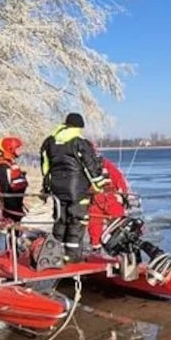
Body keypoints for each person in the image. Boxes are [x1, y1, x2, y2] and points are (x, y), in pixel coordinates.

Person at [39, 112, 108, 261]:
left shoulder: (50, 141)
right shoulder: (79, 141)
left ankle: (56, 252)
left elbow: (45, 166)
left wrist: (47, 185)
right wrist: (99, 184)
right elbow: (91, 165)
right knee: (76, 220)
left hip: (57, 187)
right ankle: (72, 256)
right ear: (79, 126)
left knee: (60, 219)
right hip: (77, 188)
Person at [86, 156, 132, 249]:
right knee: (95, 225)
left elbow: (118, 178)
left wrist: (123, 195)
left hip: (108, 198)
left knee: (120, 224)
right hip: (97, 199)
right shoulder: (103, 164)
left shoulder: (105, 164)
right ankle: (96, 248)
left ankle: (125, 247)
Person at [0, 136, 29, 225]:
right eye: (17, 148)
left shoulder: (9, 162)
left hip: (15, 199)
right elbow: (5, 186)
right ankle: (14, 237)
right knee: (13, 223)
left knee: (17, 222)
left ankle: (17, 236)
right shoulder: (2, 165)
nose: (20, 151)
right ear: (10, 149)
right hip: (9, 201)